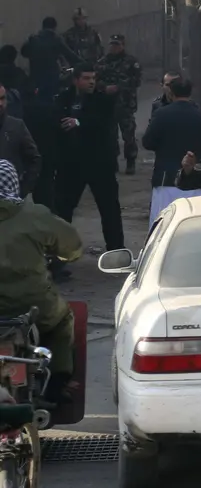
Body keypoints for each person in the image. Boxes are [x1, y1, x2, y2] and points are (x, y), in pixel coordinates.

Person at [0, 159, 83, 406]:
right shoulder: (33, 215)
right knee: (62, 320)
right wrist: (66, 255)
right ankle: (57, 384)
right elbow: (72, 246)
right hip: (32, 306)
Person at [53, 64, 125, 251]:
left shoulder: (103, 100)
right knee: (63, 210)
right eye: (86, 78)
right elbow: (55, 122)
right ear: (76, 80)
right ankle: (60, 254)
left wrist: (79, 122)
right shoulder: (63, 99)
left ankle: (116, 251)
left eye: (93, 78)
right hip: (71, 164)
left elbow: (104, 123)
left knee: (109, 209)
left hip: (100, 163)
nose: (91, 81)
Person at [142, 77, 201, 227]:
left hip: (166, 177)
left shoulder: (161, 114)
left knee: (162, 226)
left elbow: (148, 142)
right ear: (190, 93)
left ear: (171, 93)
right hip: (193, 180)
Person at [95, 34, 142, 175]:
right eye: (112, 44)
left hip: (126, 104)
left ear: (123, 45)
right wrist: (104, 88)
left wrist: (119, 86)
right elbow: (94, 80)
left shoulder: (131, 62)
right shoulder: (102, 62)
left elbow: (137, 80)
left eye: (117, 45)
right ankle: (112, 162)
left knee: (128, 134)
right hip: (107, 106)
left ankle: (130, 161)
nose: (114, 47)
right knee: (110, 136)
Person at [21, 16, 79, 102]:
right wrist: (85, 65)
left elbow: (23, 53)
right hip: (51, 76)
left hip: (36, 76)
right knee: (51, 100)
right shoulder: (56, 39)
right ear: (54, 27)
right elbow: (70, 55)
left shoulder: (34, 39)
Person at [0, 85, 40, 199]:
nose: (0, 104)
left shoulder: (17, 126)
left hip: (10, 200)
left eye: (3, 98)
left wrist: (22, 189)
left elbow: (34, 159)